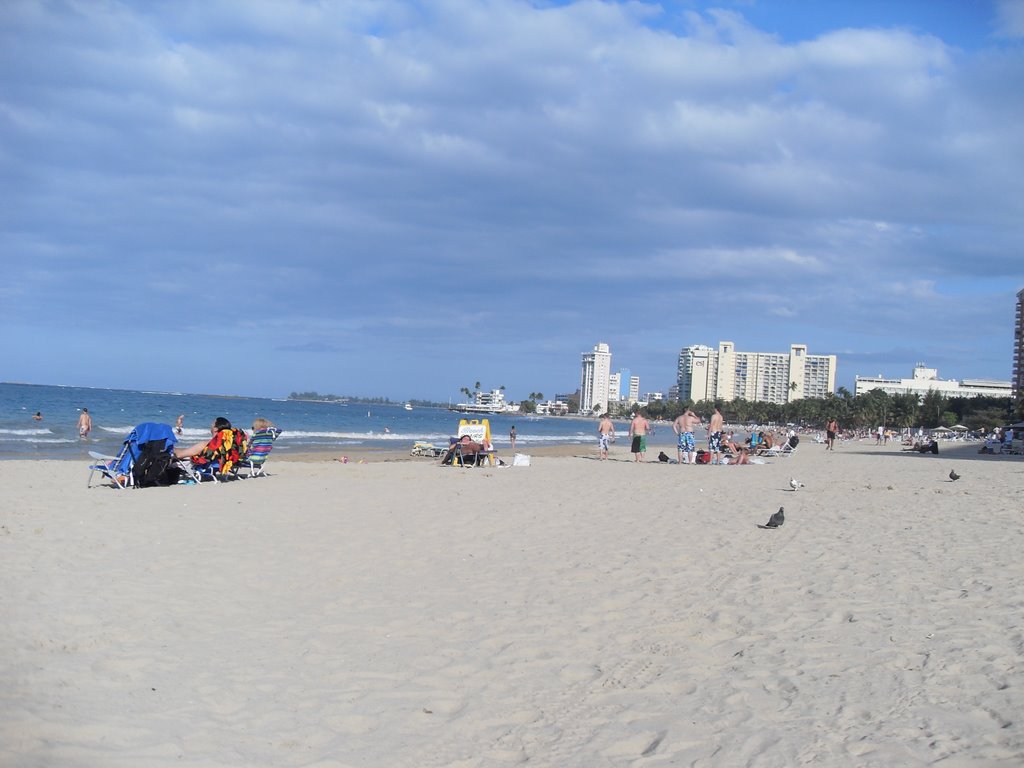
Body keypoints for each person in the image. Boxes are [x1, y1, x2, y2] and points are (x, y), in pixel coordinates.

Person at [175, 417, 249, 476]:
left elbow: (179, 455)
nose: (210, 425)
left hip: (193, 463)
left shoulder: (206, 445)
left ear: (215, 428)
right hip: (214, 464)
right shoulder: (226, 447)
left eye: (212, 424)